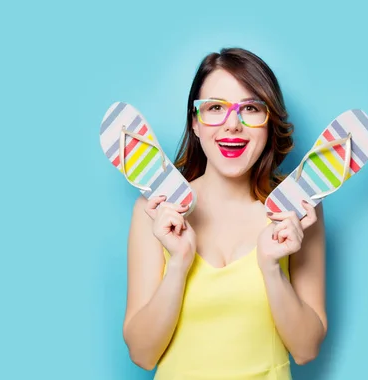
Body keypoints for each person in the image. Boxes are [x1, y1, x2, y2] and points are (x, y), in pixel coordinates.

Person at [122, 47, 327, 379]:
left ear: (269, 121)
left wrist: (271, 267)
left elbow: (306, 350)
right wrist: (177, 264)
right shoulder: (154, 211)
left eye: (250, 108)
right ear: (196, 123)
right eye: (215, 108)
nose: (233, 124)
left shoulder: (300, 211)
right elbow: (142, 355)